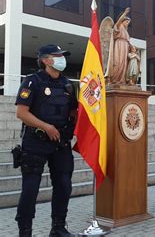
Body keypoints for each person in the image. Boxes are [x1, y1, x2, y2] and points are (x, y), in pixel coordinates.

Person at [14, 45, 77, 237]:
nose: (61, 59)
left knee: (64, 185)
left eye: (62, 56)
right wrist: (45, 127)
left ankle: (58, 228)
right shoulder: (32, 82)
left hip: (60, 142)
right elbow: (21, 113)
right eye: (58, 56)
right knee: (30, 189)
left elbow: (74, 112)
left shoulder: (67, 84)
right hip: (36, 142)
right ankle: (25, 231)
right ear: (46, 60)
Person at [108, 7, 131, 84]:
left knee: (124, 63)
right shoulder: (118, 26)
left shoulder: (126, 31)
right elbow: (118, 22)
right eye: (126, 21)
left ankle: (122, 80)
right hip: (119, 45)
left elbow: (128, 41)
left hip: (125, 46)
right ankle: (115, 79)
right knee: (118, 62)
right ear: (122, 21)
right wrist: (125, 13)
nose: (128, 23)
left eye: (128, 22)